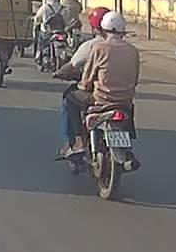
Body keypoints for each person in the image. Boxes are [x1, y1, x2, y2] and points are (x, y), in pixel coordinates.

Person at [58, 11, 140, 157]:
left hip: (101, 99)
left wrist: (83, 86)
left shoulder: (99, 48)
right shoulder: (133, 51)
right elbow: (134, 79)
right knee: (128, 110)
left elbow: (87, 78)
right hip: (125, 101)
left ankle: (78, 142)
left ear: (102, 29)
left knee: (70, 99)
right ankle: (128, 138)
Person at [53, 7, 110, 155]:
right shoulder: (128, 48)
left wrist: (59, 73)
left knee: (69, 98)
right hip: (123, 97)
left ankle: (76, 140)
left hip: (97, 94)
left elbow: (72, 65)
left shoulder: (93, 45)